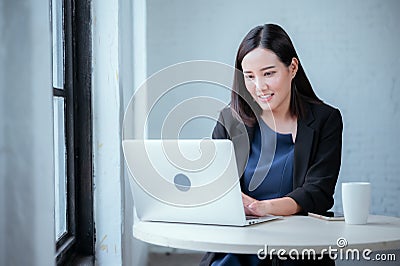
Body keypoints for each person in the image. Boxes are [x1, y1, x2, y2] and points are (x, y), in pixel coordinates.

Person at [200, 24, 343, 266]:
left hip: (298, 249)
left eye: (268, 73)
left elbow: (317, 193)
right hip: (239, 248)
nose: (259, 87)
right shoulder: (229, 121)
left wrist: (261, 208)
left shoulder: (325, 120)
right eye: (249, 76)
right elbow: (217, 187)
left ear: (293, 68)